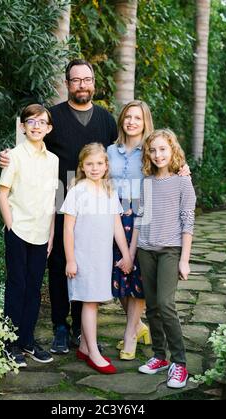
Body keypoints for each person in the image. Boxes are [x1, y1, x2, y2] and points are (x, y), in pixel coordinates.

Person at [0, 59, 118, 354]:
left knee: (87, 263)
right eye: (75, 80)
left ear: (93, 83)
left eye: (86, 79)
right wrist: (6, 156)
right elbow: (29, 144)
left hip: (93, 205)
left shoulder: (106, 120)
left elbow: (118, 157)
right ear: (67, 84)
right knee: (60, 264)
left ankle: (82, 328)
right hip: (59, 201)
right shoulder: (54, 117)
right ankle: (60, 326)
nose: (81, 85)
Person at [107, 101, 190, 360]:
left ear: (145, 123)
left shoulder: (152, 149)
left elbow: (171, 173)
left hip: (144, 219)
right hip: (113, 216)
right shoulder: (111, 150)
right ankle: (139, 327)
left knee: (140, 281)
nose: (132, 122)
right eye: (127, 117)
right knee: (119, 276)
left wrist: (183, 170)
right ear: (121, 120)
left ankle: (131, 333)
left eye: (138, 118)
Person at [130, 128, 196, 389]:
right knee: (153, 307)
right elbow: (138, 219)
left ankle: (180, 363)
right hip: (146, 250)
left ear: (173, 150)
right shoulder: (146, 182)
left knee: (166, 304)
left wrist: (184, 259)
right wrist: (132, 253)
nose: (158, 155)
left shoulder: (183, 181)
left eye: (163, 149)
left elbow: (188, 222)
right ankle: (160, 356)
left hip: (170, 250)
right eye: (153, 150)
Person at [61, 143, 133, 374]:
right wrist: (70, 260)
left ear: (106, 166)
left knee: (92, 301)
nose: (95, 168)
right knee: (89, 302)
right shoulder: (76, 190)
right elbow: (68, 229)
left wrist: (126, 254)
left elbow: (117, 226)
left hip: (102, 257)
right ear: (82, 166)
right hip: (83, 257)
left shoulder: (108, 190)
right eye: (89, 164)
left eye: (99, 164)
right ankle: (93, 352)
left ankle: (83, 345)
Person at [0, 104, 59, 367]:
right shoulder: (15, 155)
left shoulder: (54, 161)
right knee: (17, 286)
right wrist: (10, 226)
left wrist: (52, 234)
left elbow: (53, 199)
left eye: (41, 122)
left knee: (34, 289)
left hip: (42, 232)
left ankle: (26, 340)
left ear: (49, 128)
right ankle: (9, 343)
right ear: (23, 126)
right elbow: (2, 192)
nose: (36, 126)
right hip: (18, 230)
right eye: (30, 121)